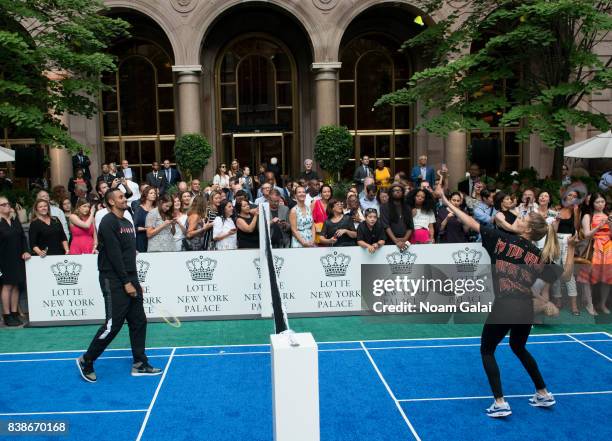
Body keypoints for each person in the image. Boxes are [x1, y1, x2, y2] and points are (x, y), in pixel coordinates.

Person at [437, 185, 575, 418]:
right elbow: (567, 276)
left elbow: (470, 222)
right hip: (525, 308)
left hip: (505, 306)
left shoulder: (500, 240)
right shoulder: (536, 254)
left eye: (524, 217)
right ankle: (542, 392)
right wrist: (570, 249)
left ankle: (500, 402)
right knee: (518, 347)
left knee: (487, 349)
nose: (520, 217)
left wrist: (445, 201)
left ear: (528, 228)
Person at [77, 189, 162, 383]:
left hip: (130, 277)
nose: (125, 199)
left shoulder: (126, 221)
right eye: (121, 197)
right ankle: (86, 360)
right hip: (113, 278)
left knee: (138, 320)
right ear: (111, 202)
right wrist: (126, 282)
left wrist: (134, 279)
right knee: (112, 325)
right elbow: (114, 256)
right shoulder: (108, 222)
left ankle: (140, 363)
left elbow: (126, 251)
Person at [577, 192, 611, 315]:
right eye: (597, 202)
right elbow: (586, 234)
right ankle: (589, 304)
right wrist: (599, 226)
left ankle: (602, 304)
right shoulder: (588, 216)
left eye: (602, 201)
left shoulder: (609, 215)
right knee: (588, 277)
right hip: (594, 247)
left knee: (607, 278)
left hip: (608, 248)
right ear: (592, 203)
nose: (600, 204)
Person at [0, 196, 31, 326]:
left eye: (8, 203)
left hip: (18, 257)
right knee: (7, 286)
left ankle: (14, 313)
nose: (7, 206)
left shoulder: (14, 219)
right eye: (3, 204)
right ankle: (6, 315)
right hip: (3, 258)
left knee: (16, 285)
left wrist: (26, 250)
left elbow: (23, 238)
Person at [381, 184, 414, 249]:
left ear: (403, 193)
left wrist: (404, 240)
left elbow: (410, 226)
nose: (397, 191)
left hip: (405, 242)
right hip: (389, 241)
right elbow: (386, 226)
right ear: (390, 193)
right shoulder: (384, 207)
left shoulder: (407, 207)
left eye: (400, 190)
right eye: (395, 190)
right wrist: (396, 241)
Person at [134, 187, 157, 253]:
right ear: (146, 195)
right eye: (151, 193)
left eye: (155, 193)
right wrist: (146, 229)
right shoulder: (138, 209)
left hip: (154, 239)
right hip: (141, 239)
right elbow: (134, 227)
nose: (154, 194)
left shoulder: (156, 209)